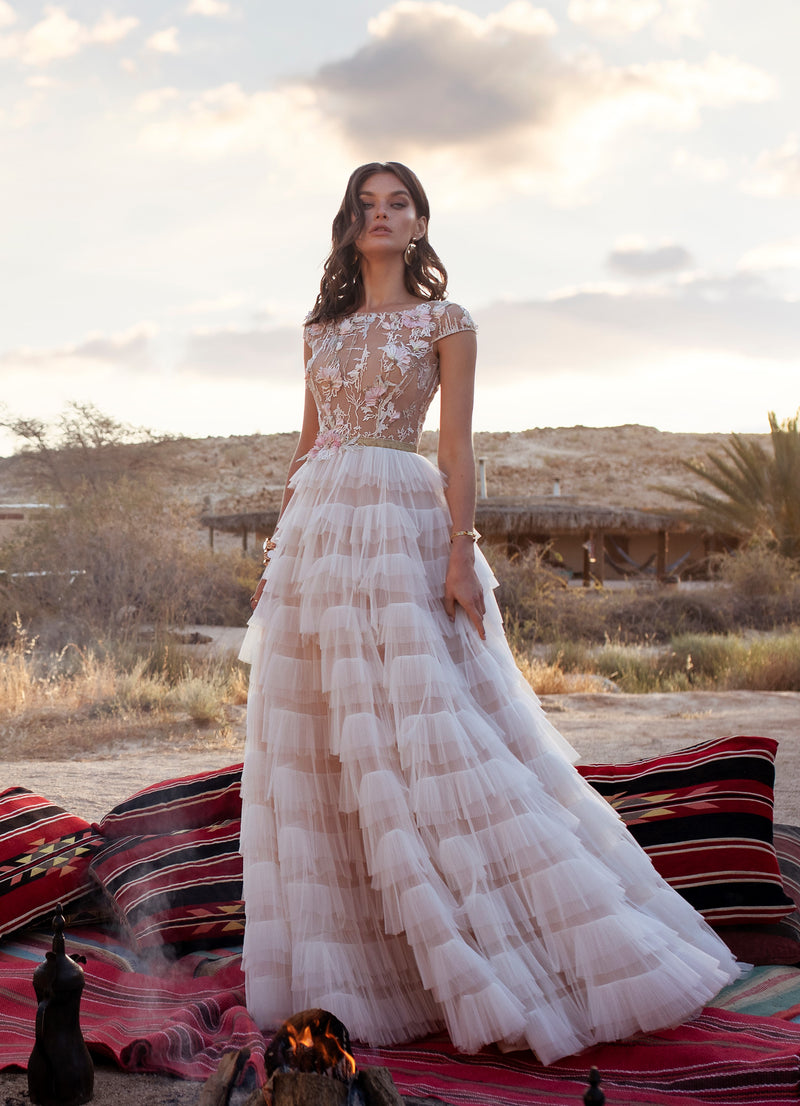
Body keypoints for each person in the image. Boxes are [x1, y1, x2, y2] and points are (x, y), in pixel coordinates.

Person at [239, 161, 740, 1065]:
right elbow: (305, 448)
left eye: (399, 204)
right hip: (319, 532)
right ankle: (374, 973)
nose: (382, 216)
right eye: (367, 205)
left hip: (401, 518)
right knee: (323, 740)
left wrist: (460, 548)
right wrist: (280, 556)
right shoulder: (319, 330)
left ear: (421, 223)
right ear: (349, 226)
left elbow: (460, 449)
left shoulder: (447, 321)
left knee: (434, 729)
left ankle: (509, 953)